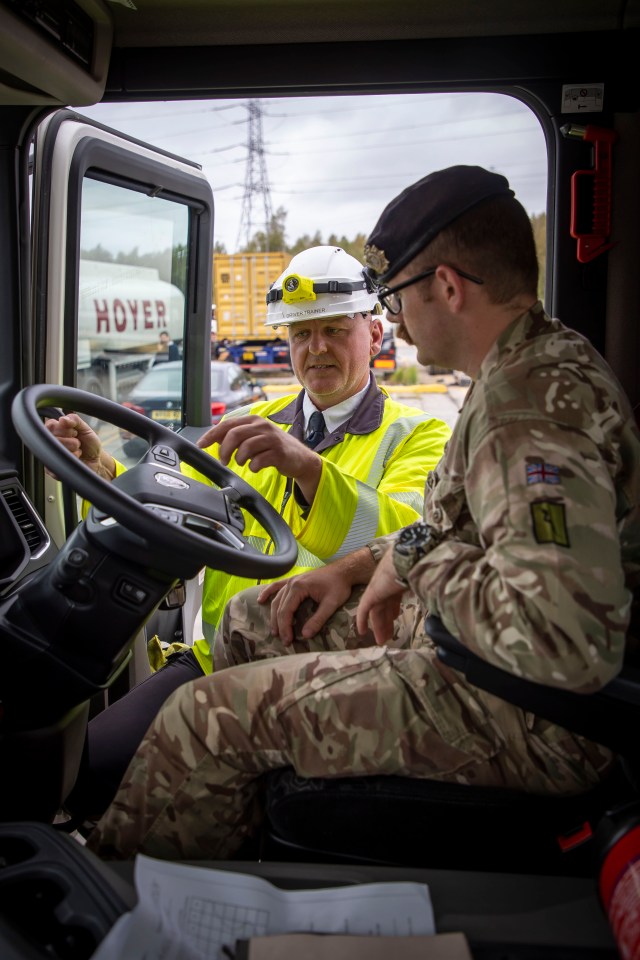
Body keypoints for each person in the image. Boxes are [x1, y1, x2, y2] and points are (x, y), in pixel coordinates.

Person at [85, 165, 640, 863]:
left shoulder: (527, 413)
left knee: (206, 718)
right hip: (478, 653)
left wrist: (418, 564)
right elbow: (447, 526)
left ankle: (123, 896)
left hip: (532, 712)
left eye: (397, 296)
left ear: (447, 286)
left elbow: (562, 642)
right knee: (256, 616)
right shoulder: (514, 372)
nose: (397, 321)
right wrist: (362, 566)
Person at [47, 244, 450, 818]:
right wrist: (105, 470)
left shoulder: (417, 435)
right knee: (79, 775)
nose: (317, 349)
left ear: (375, 337)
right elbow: (175, 487)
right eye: (301, 335)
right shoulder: (262, 418)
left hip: (330, 677)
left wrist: (307, 469)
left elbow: (403, 537)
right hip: (219, 660)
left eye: (335, 330)